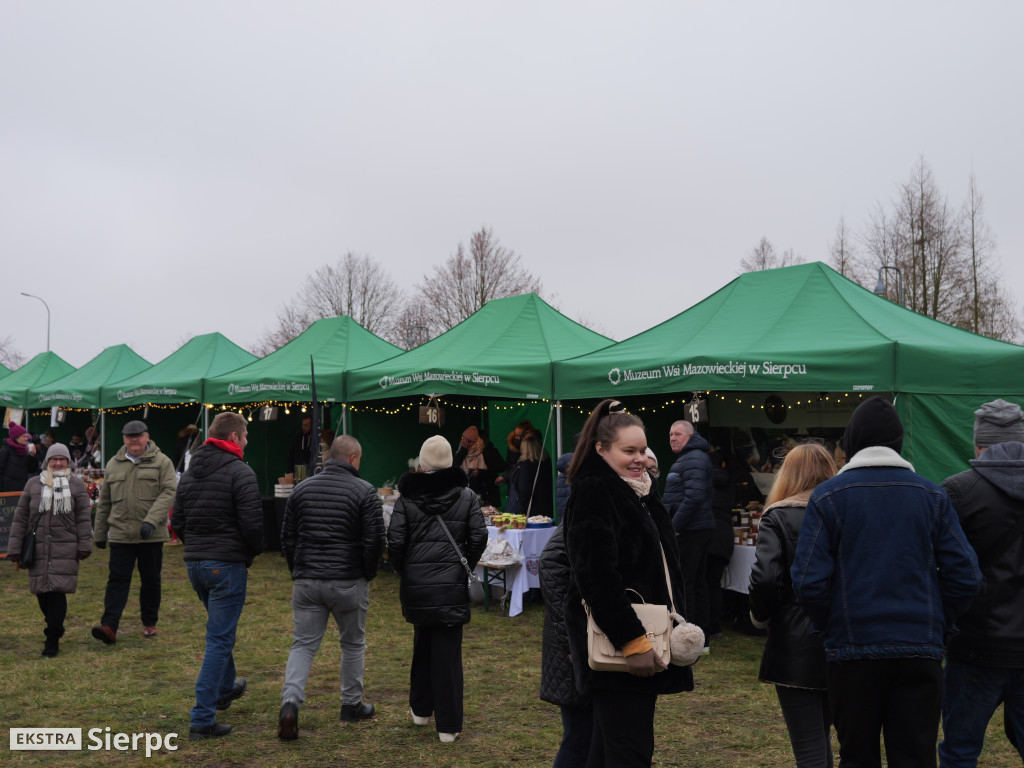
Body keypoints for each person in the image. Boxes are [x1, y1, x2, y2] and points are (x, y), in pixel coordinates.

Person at [791, 396, 982, 768]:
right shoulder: (932, 497)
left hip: (851, 652)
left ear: (851, 442)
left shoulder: (828, 497)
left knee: (857, 757)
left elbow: (808, 581)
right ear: (899, 442)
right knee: (915, 757)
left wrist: (830, 626)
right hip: (918, 650)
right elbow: (966, 577)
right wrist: (937, 623)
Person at [563, 399, 693, 767]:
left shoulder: (637, 491)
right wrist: (632, 642)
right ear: (601, 449)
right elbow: (596, 577)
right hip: (622, 639)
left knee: (610, 748)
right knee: (629, 751)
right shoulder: (595, 491)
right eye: (628, 451)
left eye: (642, 450)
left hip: (644, 634)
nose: (639, 458)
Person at [278, 434, 386, 741]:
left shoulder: (302, 489)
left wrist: (297, 570)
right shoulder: (364, 491)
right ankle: (351, 704)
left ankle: (290, 702)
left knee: (303, 644)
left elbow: (288, 537)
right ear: (353, 459)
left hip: (308, 579)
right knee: (352, 643)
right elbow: (375, 539)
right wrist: (367, 573)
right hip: (348, 580)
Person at [939, 398, 1024, 766]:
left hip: (975, 645)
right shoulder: (957, 491)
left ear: (977, 443)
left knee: (960, 750)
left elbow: (941, 569)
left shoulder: (958, 491)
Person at [387, 435, 487, 744]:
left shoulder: (406, 499)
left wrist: (408, 572)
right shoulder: (467, 496)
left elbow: (395, 543)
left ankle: (420, 711)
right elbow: (479, 537)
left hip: (418, 586)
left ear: (422, 462)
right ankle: (448, 726)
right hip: (450, 585)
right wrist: (463, 565)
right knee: (447, 656)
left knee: (423, 647)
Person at [171, 411, 264, 740]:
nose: (248, 440)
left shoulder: (191, 470)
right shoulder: (241, 472)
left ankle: (225, 689)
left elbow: (177, 519)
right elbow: (253, 525)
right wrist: (250, 552)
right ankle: (202, 718)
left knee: (219, 632)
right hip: (224, 564)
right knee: (219, 640)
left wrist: (197, 547)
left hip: (196, 564)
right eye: (247, 434)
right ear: (235, 438)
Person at [748, 443, 837, 768]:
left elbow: (766, 578)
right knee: (827, 736)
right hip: (843, 634)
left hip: (795, 640)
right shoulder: (842, 510)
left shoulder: (778, 515)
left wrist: (760, 617)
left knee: (809, 744)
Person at [91, 420, 176, 644]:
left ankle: (149, 622)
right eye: (129, 436)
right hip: (120, 534)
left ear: (147, 437)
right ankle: (109, 626)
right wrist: (99, 533)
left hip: (151, 534)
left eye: (138, 435)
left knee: (150, 580)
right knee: (117, 580)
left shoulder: (162, 462)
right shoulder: (113, 464)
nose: (134, 440)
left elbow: (168, 492)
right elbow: (105, 501)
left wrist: (151, 520)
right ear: (124, 439)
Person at [5, 444, 92, 657]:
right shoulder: (33, 484)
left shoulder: (77, 485)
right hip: (38, 548)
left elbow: (83, 517)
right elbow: (21, 518)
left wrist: (84, 545)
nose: (58, 463)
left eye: (63, 459)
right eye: (55, 459)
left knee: (56, 593)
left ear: (69, 461)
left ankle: (52, 638)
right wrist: (14, 548)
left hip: (66, 547)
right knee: (42, 594)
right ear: (47, 462)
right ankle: (56, 625)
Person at [539, 519, 592, 767]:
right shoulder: (591, 499)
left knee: (594, 736)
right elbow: (551, 562)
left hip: (593, 641)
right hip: (578, 643)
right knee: (580, 737)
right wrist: (571, 636)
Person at [664, 419, 714, 643]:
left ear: (689, 436)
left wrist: (674, 527)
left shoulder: (694, 457)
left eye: (677, 434)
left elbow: (693, 497)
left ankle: (690, 638)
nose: (673, 438)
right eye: (670, 435)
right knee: (697, 583)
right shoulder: (689, 457)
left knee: (687, 584)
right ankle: (702, 637)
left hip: (691, 530)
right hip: (696, 528)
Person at [452, 425, 505, 508]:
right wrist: (463, 450)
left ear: (476, 441)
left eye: (469, 441)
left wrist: (480, 472)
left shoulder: (487, 452)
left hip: (486, 496)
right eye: (464, 439)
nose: (466, 443)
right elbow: (454, 467)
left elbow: (500, 468)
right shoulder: (461, 451)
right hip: (466, 495)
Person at [513, 431, 553, 518]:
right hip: (548, 507)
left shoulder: (527, 465)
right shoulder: (546, 462)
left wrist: (523, 512)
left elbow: (524, 490)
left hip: (532, 512)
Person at [0, 422, 40, 492]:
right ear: (16, 437)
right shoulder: (5, 450)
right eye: (24, 436)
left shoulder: (25, 451)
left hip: (22, 489)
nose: (26, 439)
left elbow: (32, 470)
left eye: (26, 436)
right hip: (6, 491)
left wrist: (32, 456)